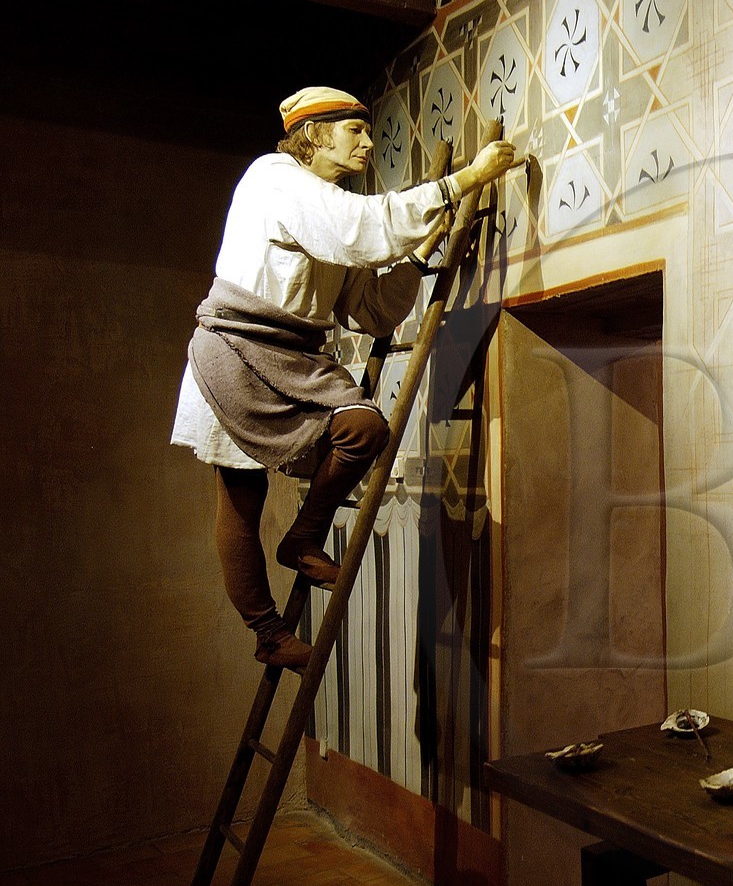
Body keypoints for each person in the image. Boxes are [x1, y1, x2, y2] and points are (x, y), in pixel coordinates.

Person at [171, 86, 517, 669]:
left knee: (364, 429)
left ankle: (303, 538)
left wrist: (411, 257)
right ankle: (269, 634)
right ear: (314, 134)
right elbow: (360, 228)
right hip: (234, 346)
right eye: (353, 130)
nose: (366, 140)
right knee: (241, 499)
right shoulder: (275, 178)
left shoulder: (325, 205)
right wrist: (464, 182)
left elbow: (371, 310)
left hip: (295, 356)